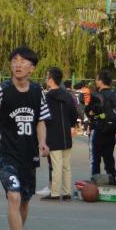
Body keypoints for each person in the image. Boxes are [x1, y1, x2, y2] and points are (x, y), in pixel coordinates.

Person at [0, 46, 51, 230]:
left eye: (23, 61)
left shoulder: (38, 92)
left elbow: (41, 120)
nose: (18, 64)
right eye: (14, 60)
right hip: (6, 154)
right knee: (13, 196)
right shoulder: (1, 91)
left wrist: (42, 142)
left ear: (32, 68)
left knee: (24, 200)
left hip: (28, 154)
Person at [42, 67, 76, 202]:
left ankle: (55, 193)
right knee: (66, 166)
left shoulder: (48, 96)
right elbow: (73, 113)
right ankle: (67, 192)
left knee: (56, 165)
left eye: (47, 77)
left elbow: (44, 116)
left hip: (53, 134)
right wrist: (71, 125)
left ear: (51, 80)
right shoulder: (67, 95)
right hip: (66, 134)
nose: (46, 79)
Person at [86, 69, 116, 182]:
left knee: (96, 159)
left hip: (98, 130)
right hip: (112, 131)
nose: (96, 81)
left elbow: (88, 112)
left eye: (97, 79)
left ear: (101, 81)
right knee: (109, 158)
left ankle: (95, 181)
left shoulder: (96, 96)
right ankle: (112, 181)